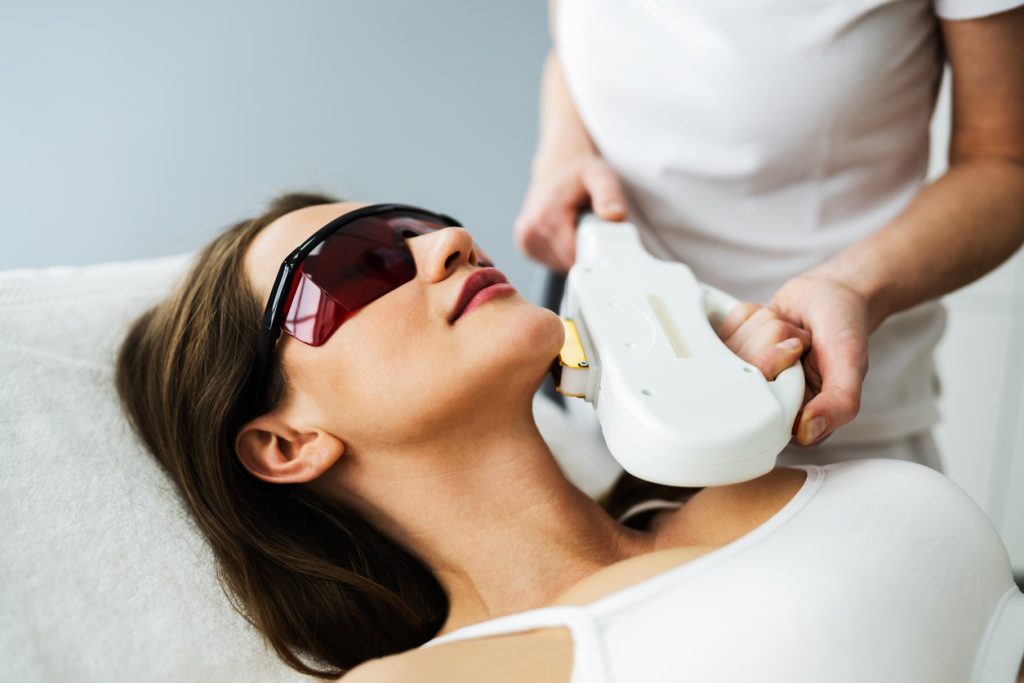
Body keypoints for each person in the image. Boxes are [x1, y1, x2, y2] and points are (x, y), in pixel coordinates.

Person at [116, 193, 1022, 681]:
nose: (451, 241)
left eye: (417, 226)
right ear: (285, 442)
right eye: (358, 266)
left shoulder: (749, 465)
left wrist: (730, 397)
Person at [515, 0, 1024, 467]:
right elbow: (575, 48)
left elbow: (1004, 160)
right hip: (607, 405)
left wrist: (853, 285)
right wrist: (563, 150)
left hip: (819, 432)